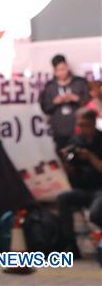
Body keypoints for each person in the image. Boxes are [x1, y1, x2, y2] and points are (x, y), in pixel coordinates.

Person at [56, 107, 102, 258]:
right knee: (63, 199)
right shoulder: (76, 141)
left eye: (85, 125)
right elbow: (72, 171)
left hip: (99, 188)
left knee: (95, 214)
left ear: (93, 123)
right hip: (83, 189)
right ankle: (71, 245)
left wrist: (90, 156)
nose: (82, 128)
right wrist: (66, 161)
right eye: (79, 125)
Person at [40, 54, 91, 151]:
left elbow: (90, 104)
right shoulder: (50, 87)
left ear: (67, 67)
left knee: (82, 156)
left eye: (63, 69)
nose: (61, 73)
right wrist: (55, 102)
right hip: (60, 132)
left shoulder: (79, 82)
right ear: (54, 71)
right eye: (58, 70)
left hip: (79, 129)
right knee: (63, 157)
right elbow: (45, 108)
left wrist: (76, 99)